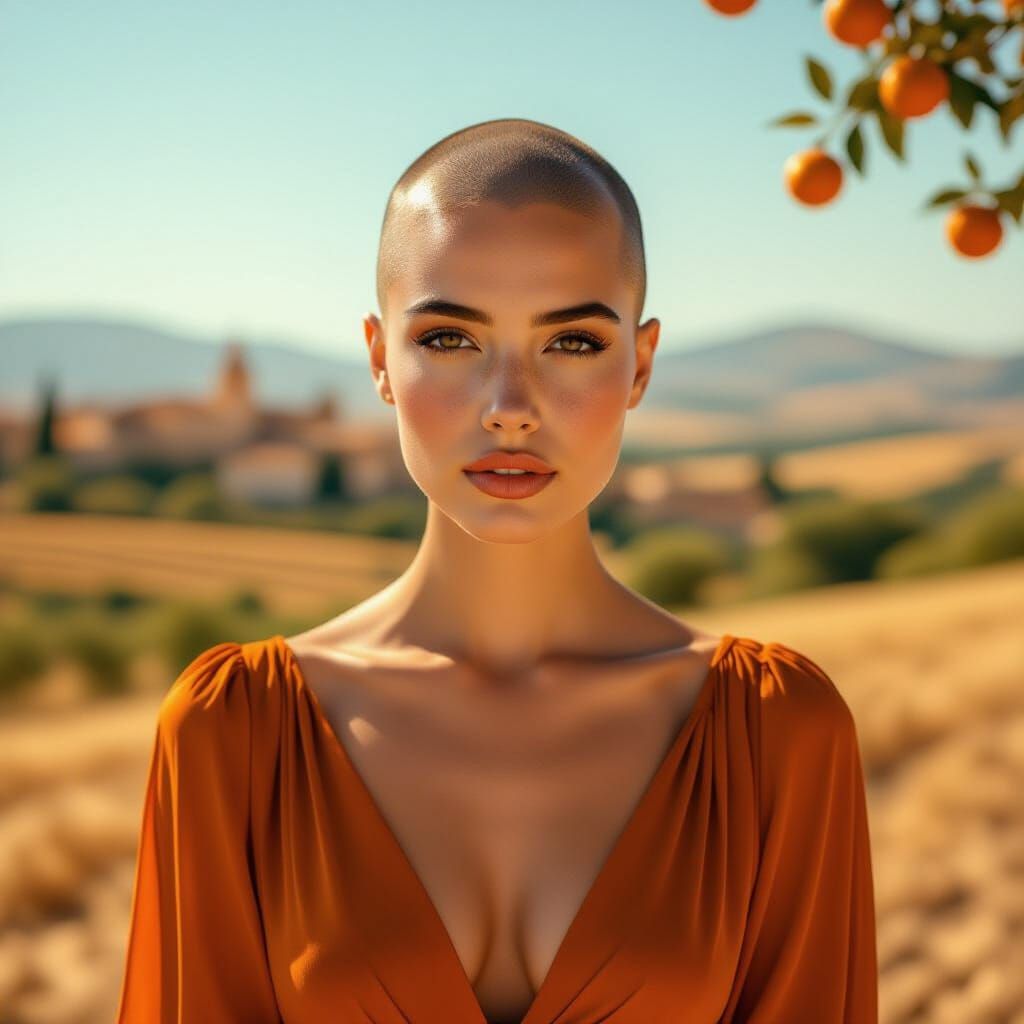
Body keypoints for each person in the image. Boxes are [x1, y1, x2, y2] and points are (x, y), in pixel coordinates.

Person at [116, 118, 878, 1023]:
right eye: (449, 340)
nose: (511, 408)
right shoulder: (235, 737)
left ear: (639, 363)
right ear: (378, 361)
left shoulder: (775, 735)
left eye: (572, 343)